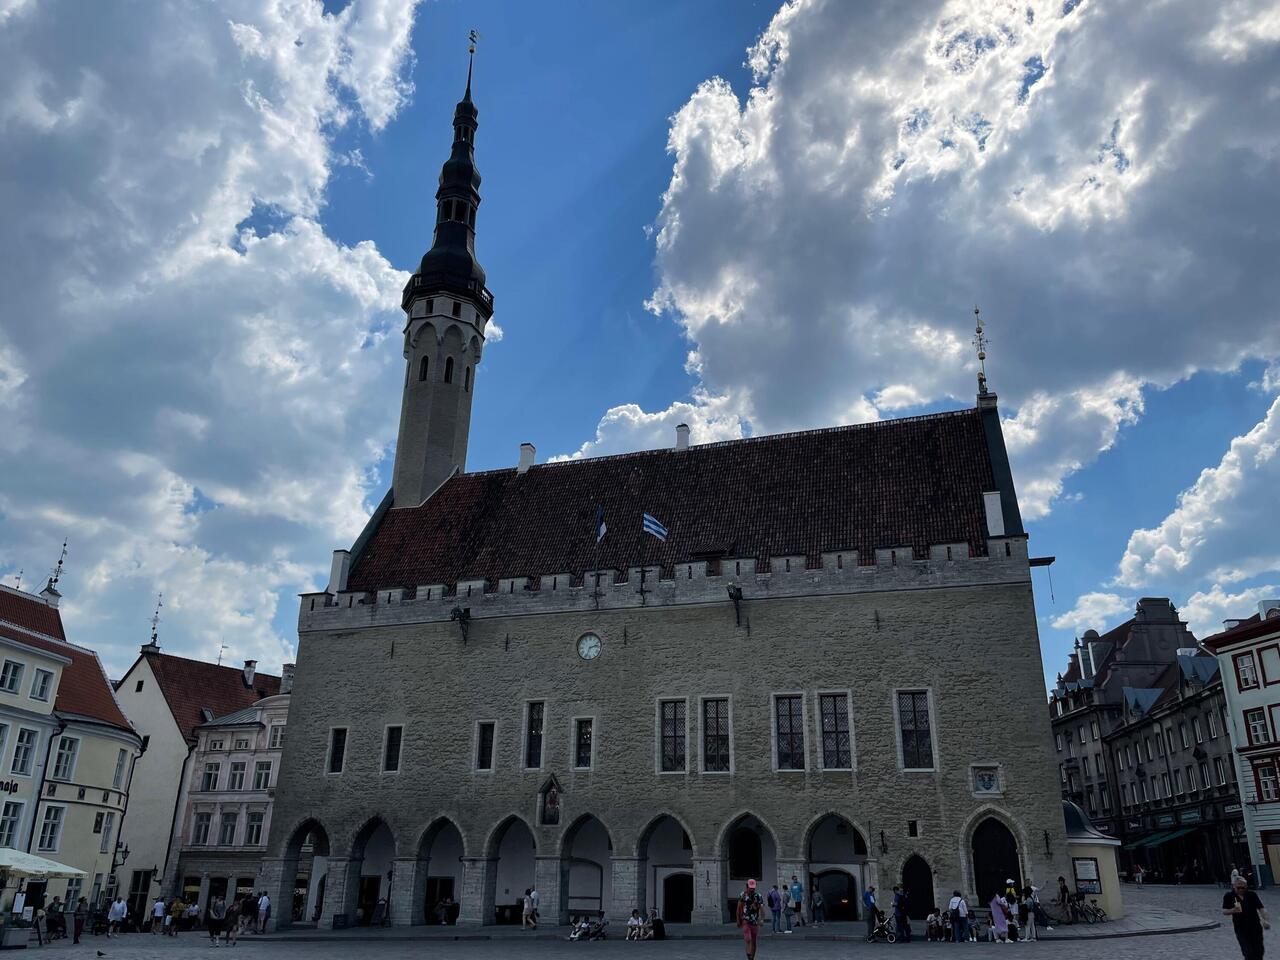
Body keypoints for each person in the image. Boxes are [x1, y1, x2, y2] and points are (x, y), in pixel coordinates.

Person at [1224, 875, 1270, 960]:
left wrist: (1266, 920)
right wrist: (1233, 910)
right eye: (1238, 887)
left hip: (1255, 927)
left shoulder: (1251, 894)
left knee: (1259, 951)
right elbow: (1224, 911)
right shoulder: (1229, 896)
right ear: (1234, 886)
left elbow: (1261, 908)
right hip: (1240, 928)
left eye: (1243, 887)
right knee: (1248, 952)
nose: (1241, 889)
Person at [736, 878, 764, 960]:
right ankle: (749, 957)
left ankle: (752, 958)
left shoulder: (758, 896)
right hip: (745, 919)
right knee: (748, 939)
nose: (752, 889)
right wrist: (738, 920)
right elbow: (739, 908)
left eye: (753, 888)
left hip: (755, 921)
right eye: (750, 888)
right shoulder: (743, 895)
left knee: (754, 941)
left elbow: (762, 909)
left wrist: (762, 919)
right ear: (747, 886)